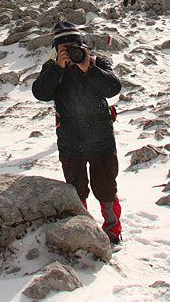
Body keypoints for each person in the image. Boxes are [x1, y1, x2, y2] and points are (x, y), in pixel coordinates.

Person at [31, 21, 124, 244]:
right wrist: (57, 68)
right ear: (56, 50)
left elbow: (114, 88)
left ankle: (113, 230)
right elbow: (41, 93)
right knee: (76, 190)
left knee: (106, 188)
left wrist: (88, 69)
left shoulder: (97, 62)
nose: (70, 51)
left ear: (82, 45)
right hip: (71, 142)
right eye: (64, 48)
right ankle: (82, 228)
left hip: (101, 139)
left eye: (74, 46)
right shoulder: (52, 68)